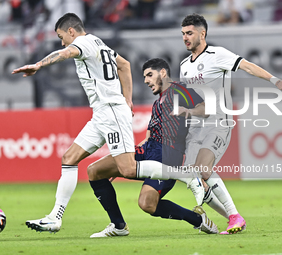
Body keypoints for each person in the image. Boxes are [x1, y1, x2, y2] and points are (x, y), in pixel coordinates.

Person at [12, 13, 198, 233]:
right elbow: (125, 65)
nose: (62, 41)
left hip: (110, 111)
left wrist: (39, 64)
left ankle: (185, 175)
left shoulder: (81, 43)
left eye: (62, 36)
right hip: (101, 113)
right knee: (69, 158)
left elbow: (67, 52)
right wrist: (127, 99)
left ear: (71, 31)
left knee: (128, 169)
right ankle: (57, 217)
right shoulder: (98, 43)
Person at [177, 13, 282, 234]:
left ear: (202, 33)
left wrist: (275, 80)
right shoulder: (185, 65)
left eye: (189, 33)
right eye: (183, 34)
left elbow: (248, 66)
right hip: (196, 126)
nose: (185, 37)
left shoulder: (218, 54)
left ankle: (234, 216)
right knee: (193, 177)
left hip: (219, 122)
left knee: (204, 168)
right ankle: (233, 217)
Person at [87, 58, 219, 237]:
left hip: (168, 156)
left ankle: (197, 219)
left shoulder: (178, 90)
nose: (146, 81)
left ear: (163, 73)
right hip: (149, 150)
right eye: (144, 77)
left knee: (147, 204)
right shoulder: (157, 103)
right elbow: (148, 137)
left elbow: (207, 108)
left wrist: (189, 111)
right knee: (95, 170)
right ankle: (118, 225)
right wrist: (123, 164)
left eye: (149, 75)